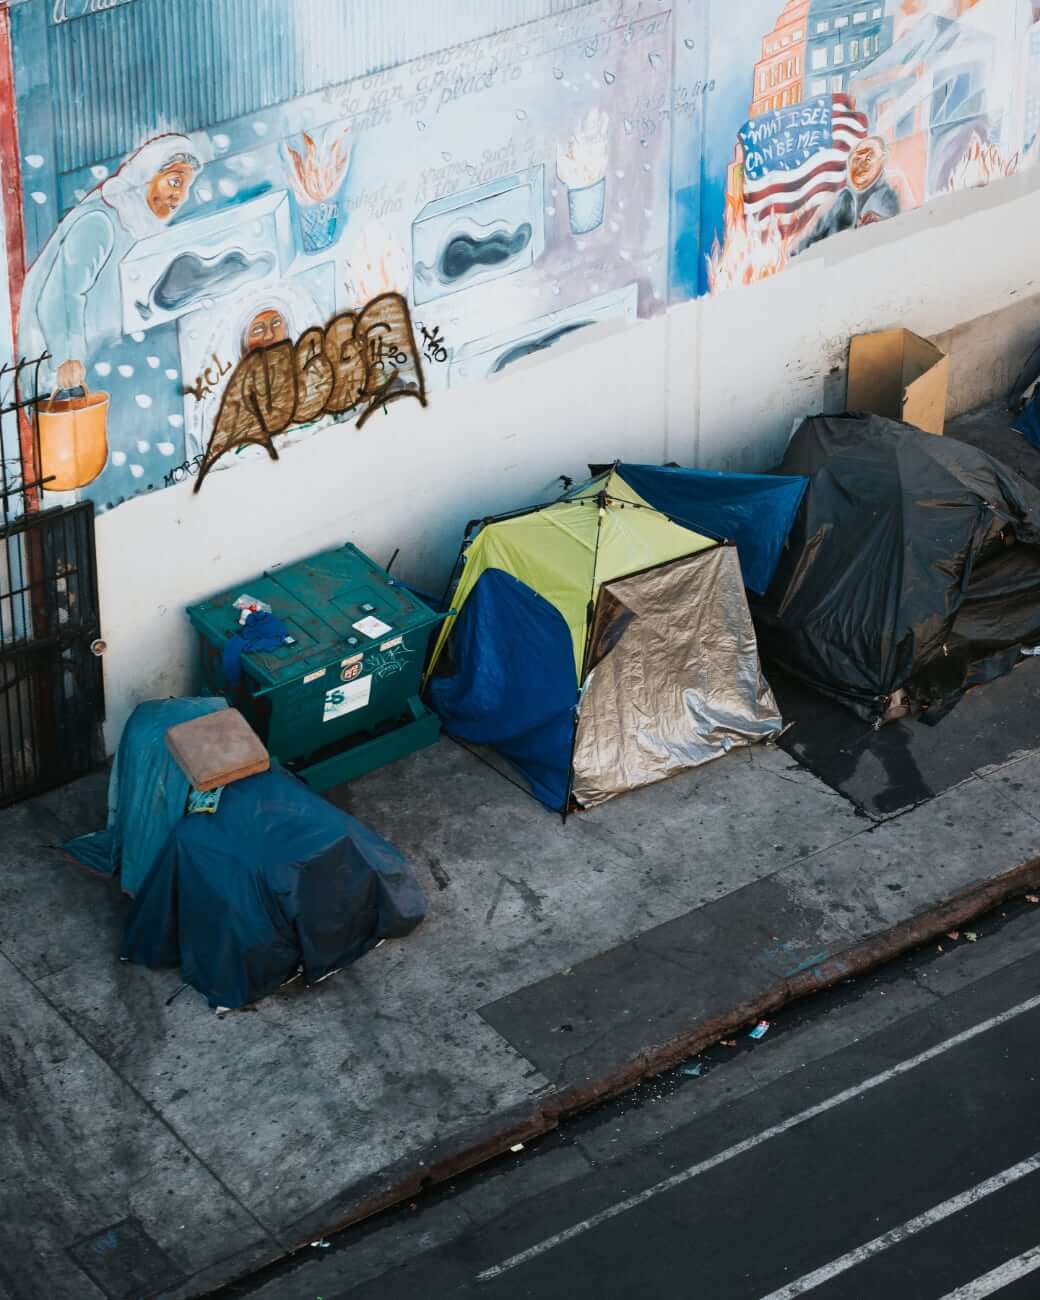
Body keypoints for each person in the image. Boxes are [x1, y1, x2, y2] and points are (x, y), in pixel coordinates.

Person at [18, 134, 202, 387]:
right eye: (174, 182)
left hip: (110, 363)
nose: (179, 197)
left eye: (185, 188)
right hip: (70, 372)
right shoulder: (100, 221)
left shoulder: (142, 229)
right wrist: (67, 357)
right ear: (146, 176)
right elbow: (58, 297)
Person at [795, 136, 901, 255]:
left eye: (869, 159)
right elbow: (809, 239)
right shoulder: (842, 199)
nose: (861, 165)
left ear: (881, 164)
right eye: (858, 158)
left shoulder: (888, 197)